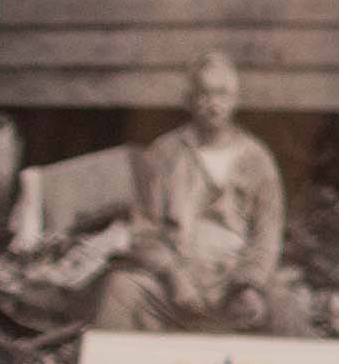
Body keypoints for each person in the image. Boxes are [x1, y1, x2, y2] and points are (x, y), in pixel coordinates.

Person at [84, 53, 291, 333]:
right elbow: (144, 230)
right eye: (204, 94)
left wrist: (249, 285)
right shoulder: (164, 154)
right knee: (120, 290)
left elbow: (267, 236)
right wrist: (174, 276)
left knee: (287, 304)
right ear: (189, 100)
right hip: (172, 283)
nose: (214, 104)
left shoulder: (258, 160)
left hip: (232, 283)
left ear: (235, 100)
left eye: (222, 94)